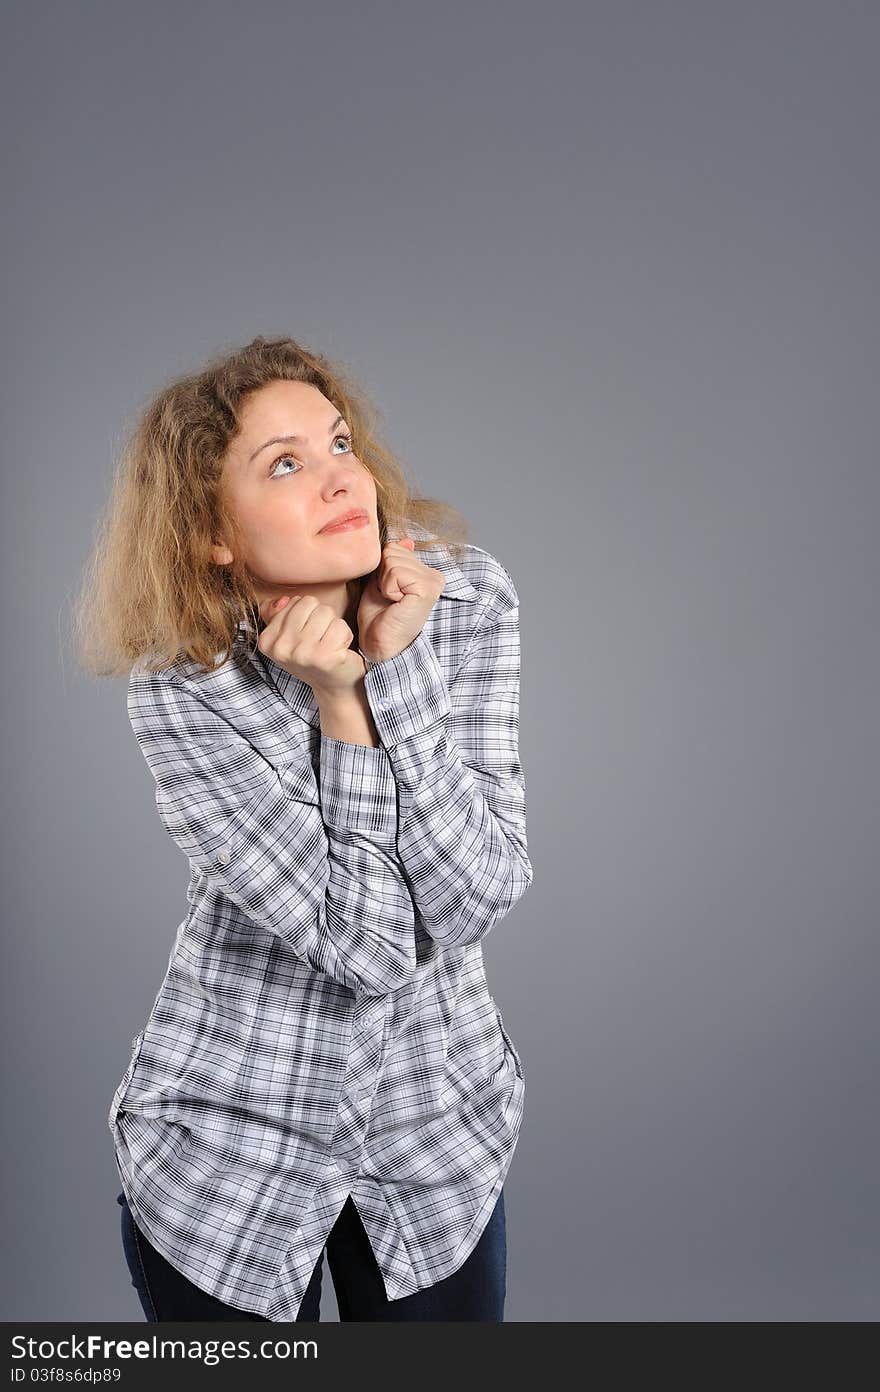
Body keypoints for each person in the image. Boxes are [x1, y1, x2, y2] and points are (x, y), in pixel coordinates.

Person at [75, 334, 533, 1321]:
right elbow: (370, 952)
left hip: (434, 1142)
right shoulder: (185, 693)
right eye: (285, 464)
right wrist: (341, 699)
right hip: (233, 1152)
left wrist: (394, 666)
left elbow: (479, 893)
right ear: (214, 534)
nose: (341, 478)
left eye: (336, 443)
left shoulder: (466, 600)